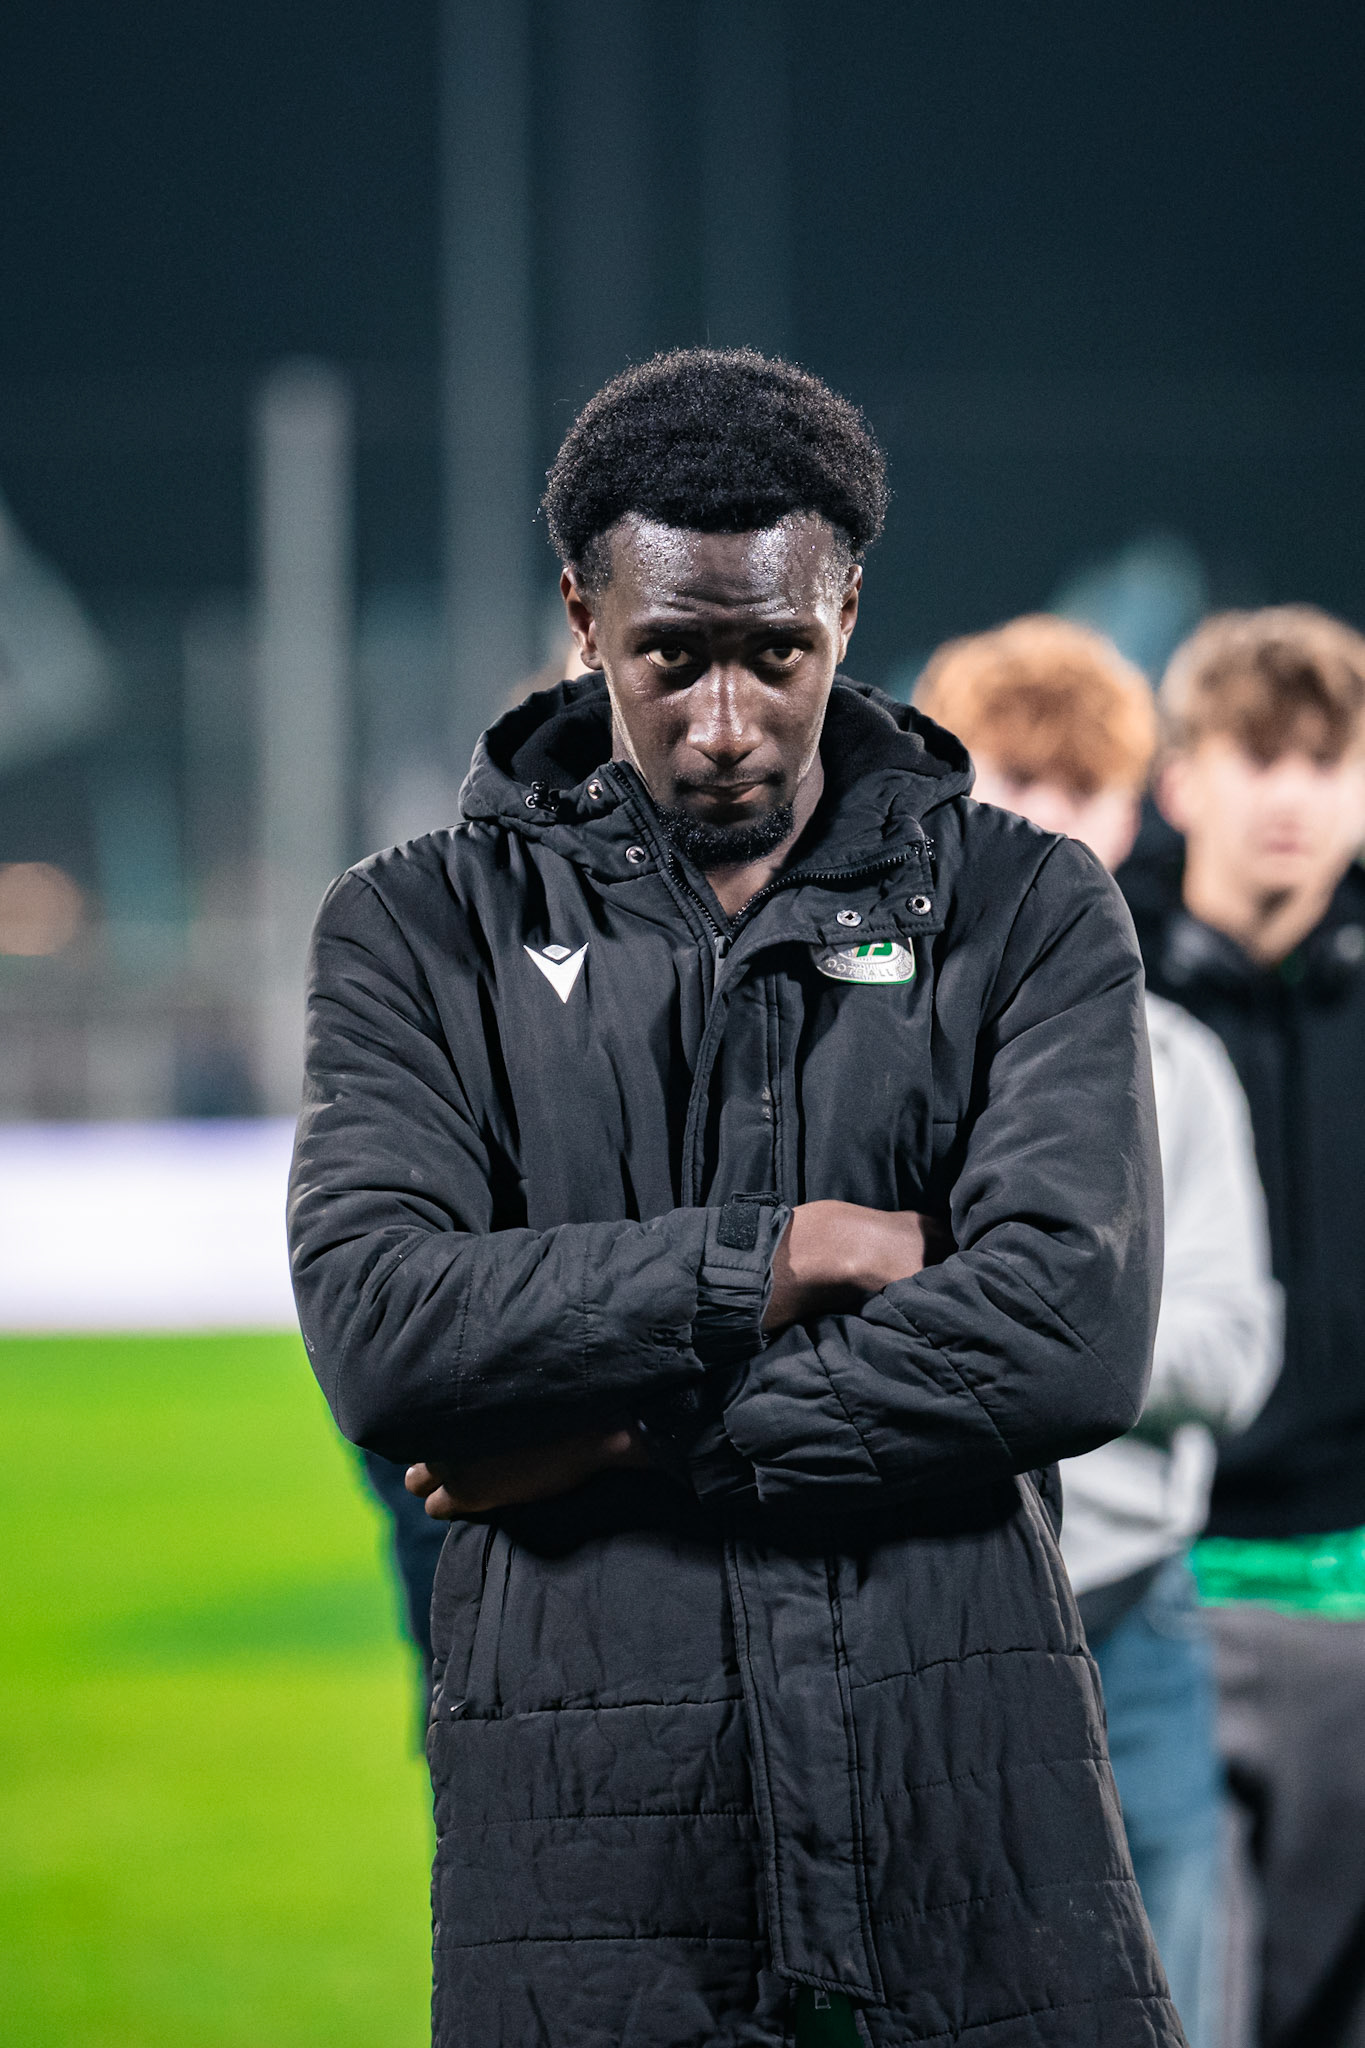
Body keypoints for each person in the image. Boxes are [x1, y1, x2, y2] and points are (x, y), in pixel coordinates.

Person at [288, 350, 1179, 2048]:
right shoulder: (412, 929)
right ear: (581, 617)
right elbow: (387, 1333)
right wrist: (789, 1257)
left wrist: (631, 1443)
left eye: (773, 654)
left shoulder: (1031, 908)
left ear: (845, 604)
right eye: (666, 657)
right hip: (590, 1835)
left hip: (964, 1798)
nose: (720, 720)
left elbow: (1069, 1335)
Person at [917, 616, 1280, 2048]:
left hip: (1134, 1608)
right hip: (922, 1601)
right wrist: (1069, 1325)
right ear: (946, 784)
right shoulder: (863, 1040)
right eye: (1018, 776)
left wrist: (1006, 1328)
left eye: (1083, 787)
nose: (1050, 818)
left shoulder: (1176, 1065)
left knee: (1168, 2004)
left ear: (1129, 812)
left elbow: (1229, 1353)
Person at [1121, 606, 1365, 2048]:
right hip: (1156, 1596)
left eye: (1326, 759)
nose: (1289, 795)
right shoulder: (1085, 998)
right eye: (1253, 754)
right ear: (1181, 780)